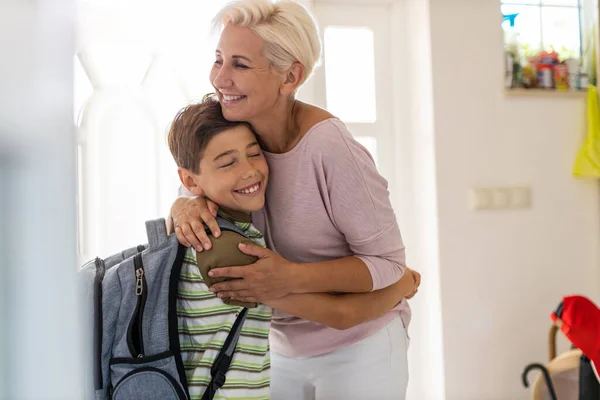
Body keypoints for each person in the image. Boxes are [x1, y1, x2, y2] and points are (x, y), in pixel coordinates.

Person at [168, 94, 419, 399]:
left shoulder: (215, 219)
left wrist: (181, 204)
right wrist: (401, 283)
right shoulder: (227, 250)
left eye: (254, 153)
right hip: (276, 360)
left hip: (346, 350)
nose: (249, 170)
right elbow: (340, 314)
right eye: (228, 162)